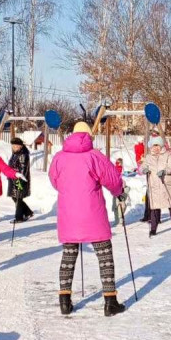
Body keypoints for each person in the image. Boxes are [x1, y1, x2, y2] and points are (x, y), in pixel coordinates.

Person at [49, 121, 128, 316]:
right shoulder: (95, 156)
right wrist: (119, 193)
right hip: (92, 213)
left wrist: (69, 191)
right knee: (104, 255)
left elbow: (54, 180)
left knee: (68, 255)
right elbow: (112, 179)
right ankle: (110, 302)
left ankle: (65, 302)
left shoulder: (59, 157)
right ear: (88, 136)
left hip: (69, 213)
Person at [140, 136, 171, 238]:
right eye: (154, 146)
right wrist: (144, 169)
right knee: (154, 207)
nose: (156, 148)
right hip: (154, 185)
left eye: (157, 146)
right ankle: (153, 229)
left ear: (161, 146)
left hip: (166, 185)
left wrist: (165, 171)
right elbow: (142, 167)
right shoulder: (149, 157)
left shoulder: (168, 155)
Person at [8, 137, 33, 223]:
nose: (14, 148)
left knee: (18, 198)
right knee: (15, 197)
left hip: (19, 180)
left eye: (16, 146)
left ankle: (19, 218)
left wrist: (20, 180)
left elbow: (23, 168)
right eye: (13, 146)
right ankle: (28, 212)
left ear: (21, 146)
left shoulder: (22, 155)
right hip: (13, 178)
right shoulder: (15, 153)